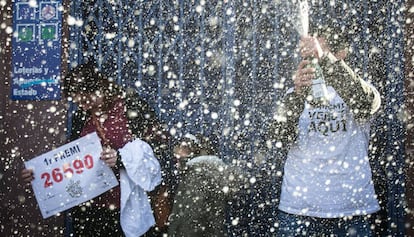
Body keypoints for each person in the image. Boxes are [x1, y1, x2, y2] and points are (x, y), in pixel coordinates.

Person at [21, 62, 165, 237]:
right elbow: (70, 159)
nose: (83, 106)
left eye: (85, 99)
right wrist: (40, 173)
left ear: (99, 88)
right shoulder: (81, 117)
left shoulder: (131, 107)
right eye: (77, 101)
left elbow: (156, 148)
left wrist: (121, 159)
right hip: (90, 206)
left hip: (127, 204)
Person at [267, 22, 382, 236]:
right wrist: (297, 97)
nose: (314, 61)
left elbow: (366, 103)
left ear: (342, 54)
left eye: (319, 54)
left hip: (352, 211)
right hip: (298, 211)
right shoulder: (293, 95)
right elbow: (277, 140)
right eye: (311, 56)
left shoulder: (361, 89)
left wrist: (326, 61)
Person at [167, 133, 246, 237]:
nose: (177, 154)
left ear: (193, 151)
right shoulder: (204, 171)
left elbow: (191, 217)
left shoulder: (196, 174)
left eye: (183, 148)